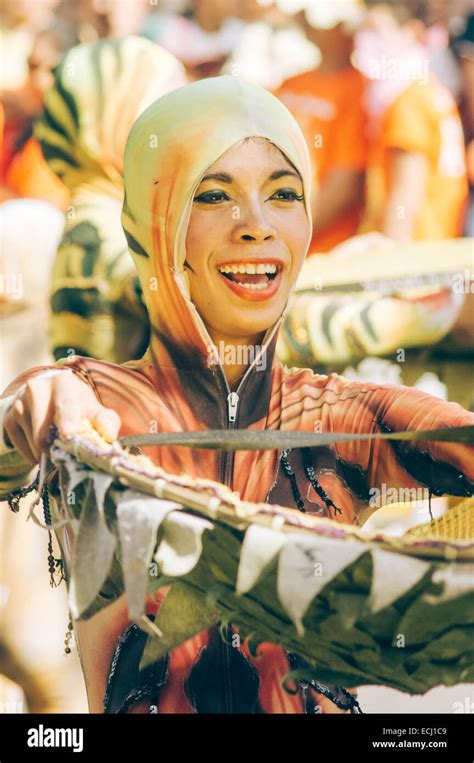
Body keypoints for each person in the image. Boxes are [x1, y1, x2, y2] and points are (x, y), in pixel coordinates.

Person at [1, 77, 473, 714]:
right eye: (213, 194)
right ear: (151, 222)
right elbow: (22, 424)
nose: (256, 225)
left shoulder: (338, 420)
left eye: (284, 194)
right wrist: (36, 413)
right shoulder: (98, 403)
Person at [34, 36, 187, 363]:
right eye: (166, 111)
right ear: (114, 123)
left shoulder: (97, 219)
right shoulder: (105, 232)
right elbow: (198, 311)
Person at [357, 0, 468, 242]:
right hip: (435, 244)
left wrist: (390, 267)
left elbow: (405, 199)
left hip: (415, 252)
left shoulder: (407, 101)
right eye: (363, 29)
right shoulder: (427, 87)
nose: (365, 40)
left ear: (411, 32)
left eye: (376, 30)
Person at [276, 1, 368, 253]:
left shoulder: (360, 91)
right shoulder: (290, 83)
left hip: (322, 252)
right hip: (279, 238)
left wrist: (284, 239)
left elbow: (344, 187)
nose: (305, 23)